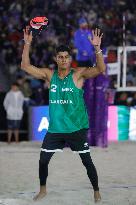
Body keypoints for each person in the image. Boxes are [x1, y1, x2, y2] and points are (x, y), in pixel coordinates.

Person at [21, 26, 105, 203]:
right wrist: (27, 43)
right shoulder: (49, 75)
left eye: (66, 57)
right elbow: (25, 66)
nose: (64, 60)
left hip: (76, 127)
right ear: (56, 59)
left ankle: (96, 191)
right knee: (43, 161)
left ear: (70, 59)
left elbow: (100, 69)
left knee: (87, 162)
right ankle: (43, 190)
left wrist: (97, 49)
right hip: (56, 129)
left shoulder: (78, 74)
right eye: (60, 57)